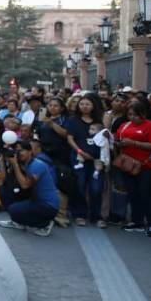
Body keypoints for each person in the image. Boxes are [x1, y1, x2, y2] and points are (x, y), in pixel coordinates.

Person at [0, 140, 60, 236]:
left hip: (47, 204)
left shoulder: (37, 164)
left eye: (21, 151)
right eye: (16, 151)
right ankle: (17, 222)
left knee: (14, 209)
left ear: (30, 151)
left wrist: (15, 164)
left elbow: (25, 185)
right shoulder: (21, 163)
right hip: (34, 198)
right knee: (3, 190)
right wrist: (2, 159)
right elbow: (2, 179)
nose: (18, 153)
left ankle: (44, 224)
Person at [113, 101, 151, 235]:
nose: (133, 117)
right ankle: (138, 222)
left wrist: (133, 143)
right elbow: (117, 139)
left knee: (146, 194)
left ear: (143, 114)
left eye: (136, 115)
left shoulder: (150, 125)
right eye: (130, 114)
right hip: (128, 165)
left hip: (146, 165)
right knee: (133, 193)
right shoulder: (124, 125)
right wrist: (116, 142)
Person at [66, 95, 103, 227]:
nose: (84, 106)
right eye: (82, 104)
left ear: (93, 105)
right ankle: (79, 214)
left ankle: (96, 216)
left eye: (88, 104)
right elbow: (70, 138)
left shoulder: (99, 120)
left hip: (96, 159)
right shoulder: (72, 120)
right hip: (78, 157)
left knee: (96, 187)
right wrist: (80, 151)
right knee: (80, 185)